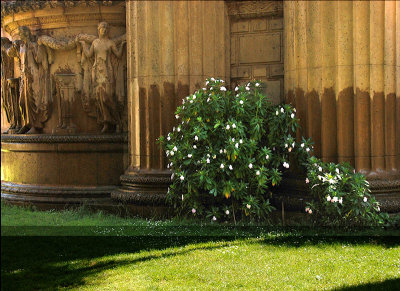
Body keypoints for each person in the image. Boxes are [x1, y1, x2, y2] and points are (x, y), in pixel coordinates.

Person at [80, 22, 126, 133]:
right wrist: (83, 45)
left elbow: (118, 55)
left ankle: (118, 121)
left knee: (108, 97)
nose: (104, 30)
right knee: (98, 97)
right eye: (102, 28)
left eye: (106, 28)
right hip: (96, 72)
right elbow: (89, 55)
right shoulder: (95, 42)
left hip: (107, 71)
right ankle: (106, 122)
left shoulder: (110, 43)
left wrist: (123, 45)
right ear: (98, 29)